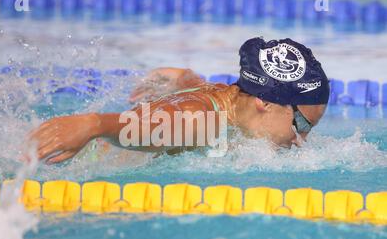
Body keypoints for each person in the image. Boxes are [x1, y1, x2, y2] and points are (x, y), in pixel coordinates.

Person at [27, 37, 330, 164]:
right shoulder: (204, 122)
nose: (301, 139)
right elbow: (151, 128)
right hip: (61, 159)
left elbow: (198, 90)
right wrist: (93, 124)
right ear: (265, 101)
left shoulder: (227, 98)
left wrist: (185, 79)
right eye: (301, 124)